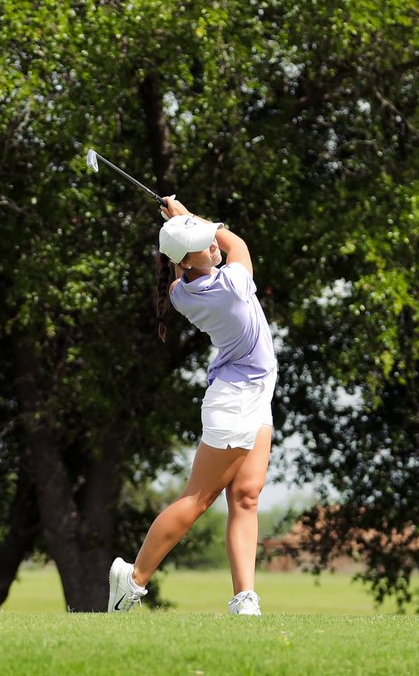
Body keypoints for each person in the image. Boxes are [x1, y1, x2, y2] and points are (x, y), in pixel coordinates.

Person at [108, 196, 278, 616]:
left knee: (247, 496)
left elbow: (207, 252)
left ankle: (244, 598)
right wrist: (189, 216)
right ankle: (132, 580)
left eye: (209, 240)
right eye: (204, 245)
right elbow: (237, 243)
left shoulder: (180, 292)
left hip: (254, 393)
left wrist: (184, 228)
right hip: (235, 400)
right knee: (198, 499)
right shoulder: (232, 286)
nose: (213, 245)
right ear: (185, 261)